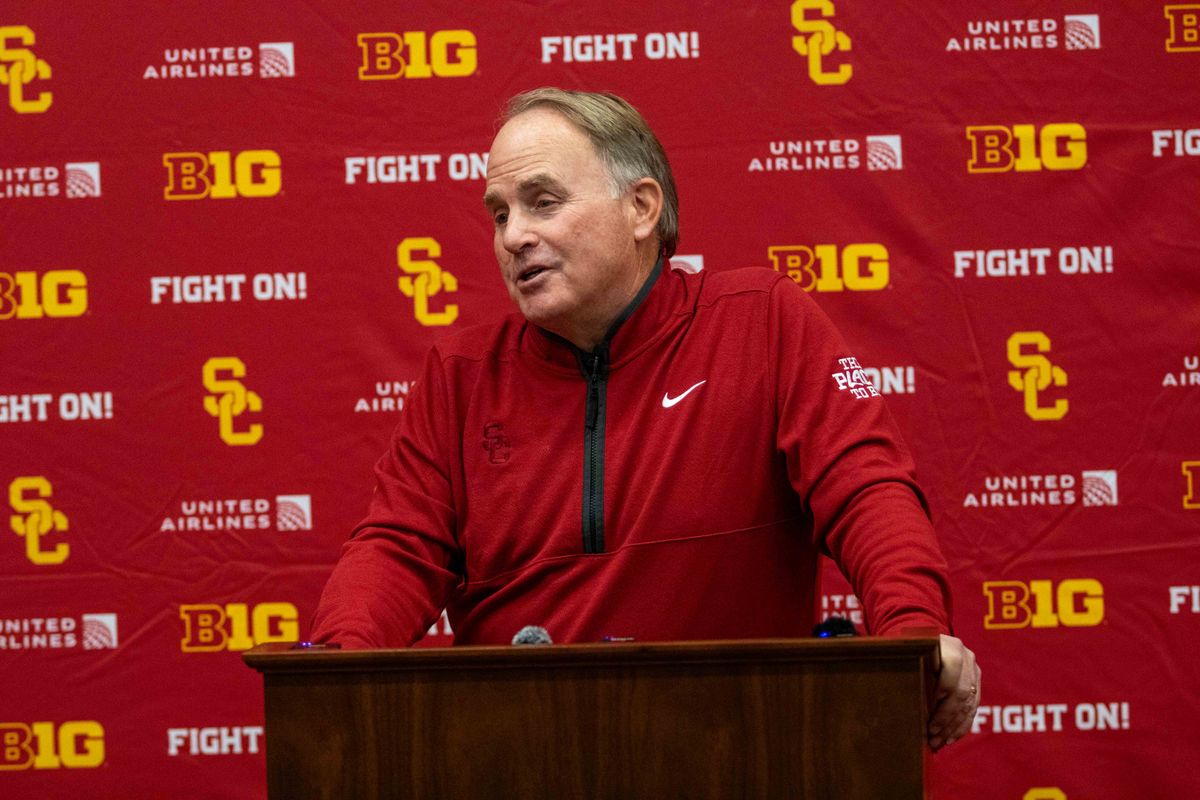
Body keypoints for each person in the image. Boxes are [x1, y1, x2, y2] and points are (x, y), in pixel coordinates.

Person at [311, 87, 981, 750]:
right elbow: (393, 551)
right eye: (498, 213)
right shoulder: (459, 374)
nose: (515, 235)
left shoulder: (764, 321)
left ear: (640, 207)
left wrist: (913, 637)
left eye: (542, 202)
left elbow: (868, 491)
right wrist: (330, 680)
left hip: (737, 744)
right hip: (517, 755)